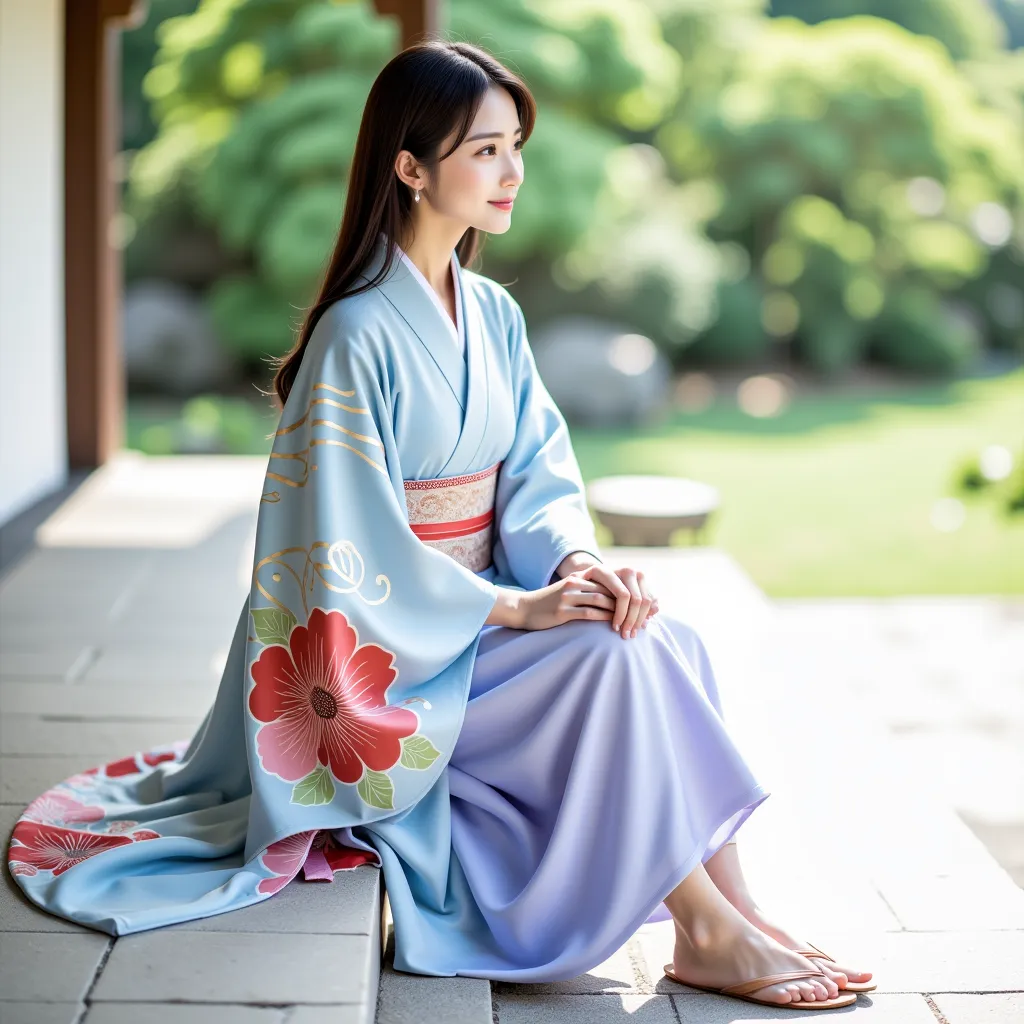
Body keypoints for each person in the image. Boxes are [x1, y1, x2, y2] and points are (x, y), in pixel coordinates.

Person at [6, 40, 873, 1011]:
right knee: (607, 662)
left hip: (480, 614)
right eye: (485, 151)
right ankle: (704, 928)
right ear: (410, 167)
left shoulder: (493, 312)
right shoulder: (354, 333)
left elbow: (538, 477)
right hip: (382, 652)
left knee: (659, 635)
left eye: (514, 147)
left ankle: (736, 905)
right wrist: (514, 608)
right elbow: (347, 549)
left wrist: (581, 567)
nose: (512, 173)